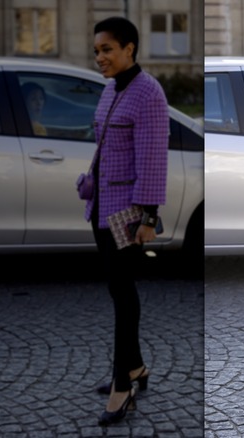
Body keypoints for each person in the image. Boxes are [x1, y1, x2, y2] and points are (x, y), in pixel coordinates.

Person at [84, 16, 168, 427]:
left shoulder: (148, 92)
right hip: (101, 206)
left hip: (127, 214)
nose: (100, 57)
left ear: (129, 49)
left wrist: (148, 217)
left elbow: (152, 159)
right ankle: (134, 367)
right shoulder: (112, 88)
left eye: (107, 49)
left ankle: (123, 385)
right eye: (97, 50)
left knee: (123, 292)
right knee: (118, 288)